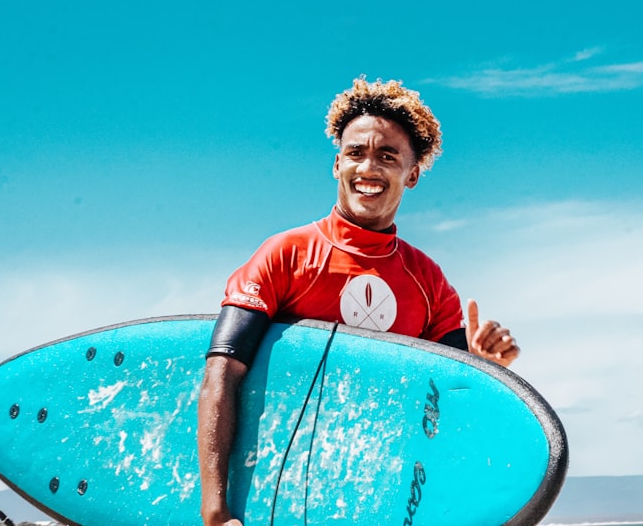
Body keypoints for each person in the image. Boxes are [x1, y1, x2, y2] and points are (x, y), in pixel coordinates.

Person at [197, 76, 520, 526]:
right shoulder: (285, 256)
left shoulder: (427, 280)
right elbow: (221, 375)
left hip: (376, 505)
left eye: (387, 156)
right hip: (273, 500)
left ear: (412, 174)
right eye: (355, 153)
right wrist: (215, 510)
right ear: (336, 165)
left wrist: (486, 369)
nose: (368, 168)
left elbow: (449, 405)